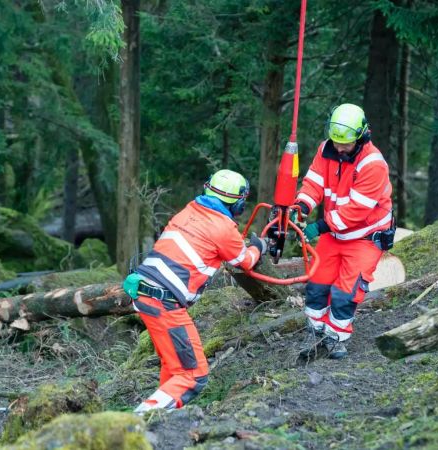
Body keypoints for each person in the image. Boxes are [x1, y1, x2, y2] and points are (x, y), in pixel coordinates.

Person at [123, 169, 267, 414]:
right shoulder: (223, 227)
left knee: (174, 367)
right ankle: (134, 424)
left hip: (145, 291)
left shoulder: (189, 211)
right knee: (192, 375)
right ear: (238, 201)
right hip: (164, 302)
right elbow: (244, 261)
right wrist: (259, 246)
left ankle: (161, 421)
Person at [291, 103, 394, 360]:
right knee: (317, 284)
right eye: (336, 142)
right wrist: (302, 205)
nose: (339, 148)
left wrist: (319, 226)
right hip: (334, 233)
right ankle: (315, 332)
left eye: (345, 145)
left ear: (361, 136)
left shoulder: (373, 165)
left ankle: (336, 336)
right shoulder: (326, 150)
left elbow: (357, 210)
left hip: (364, 237)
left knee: (346, 292)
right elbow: (314, 181)